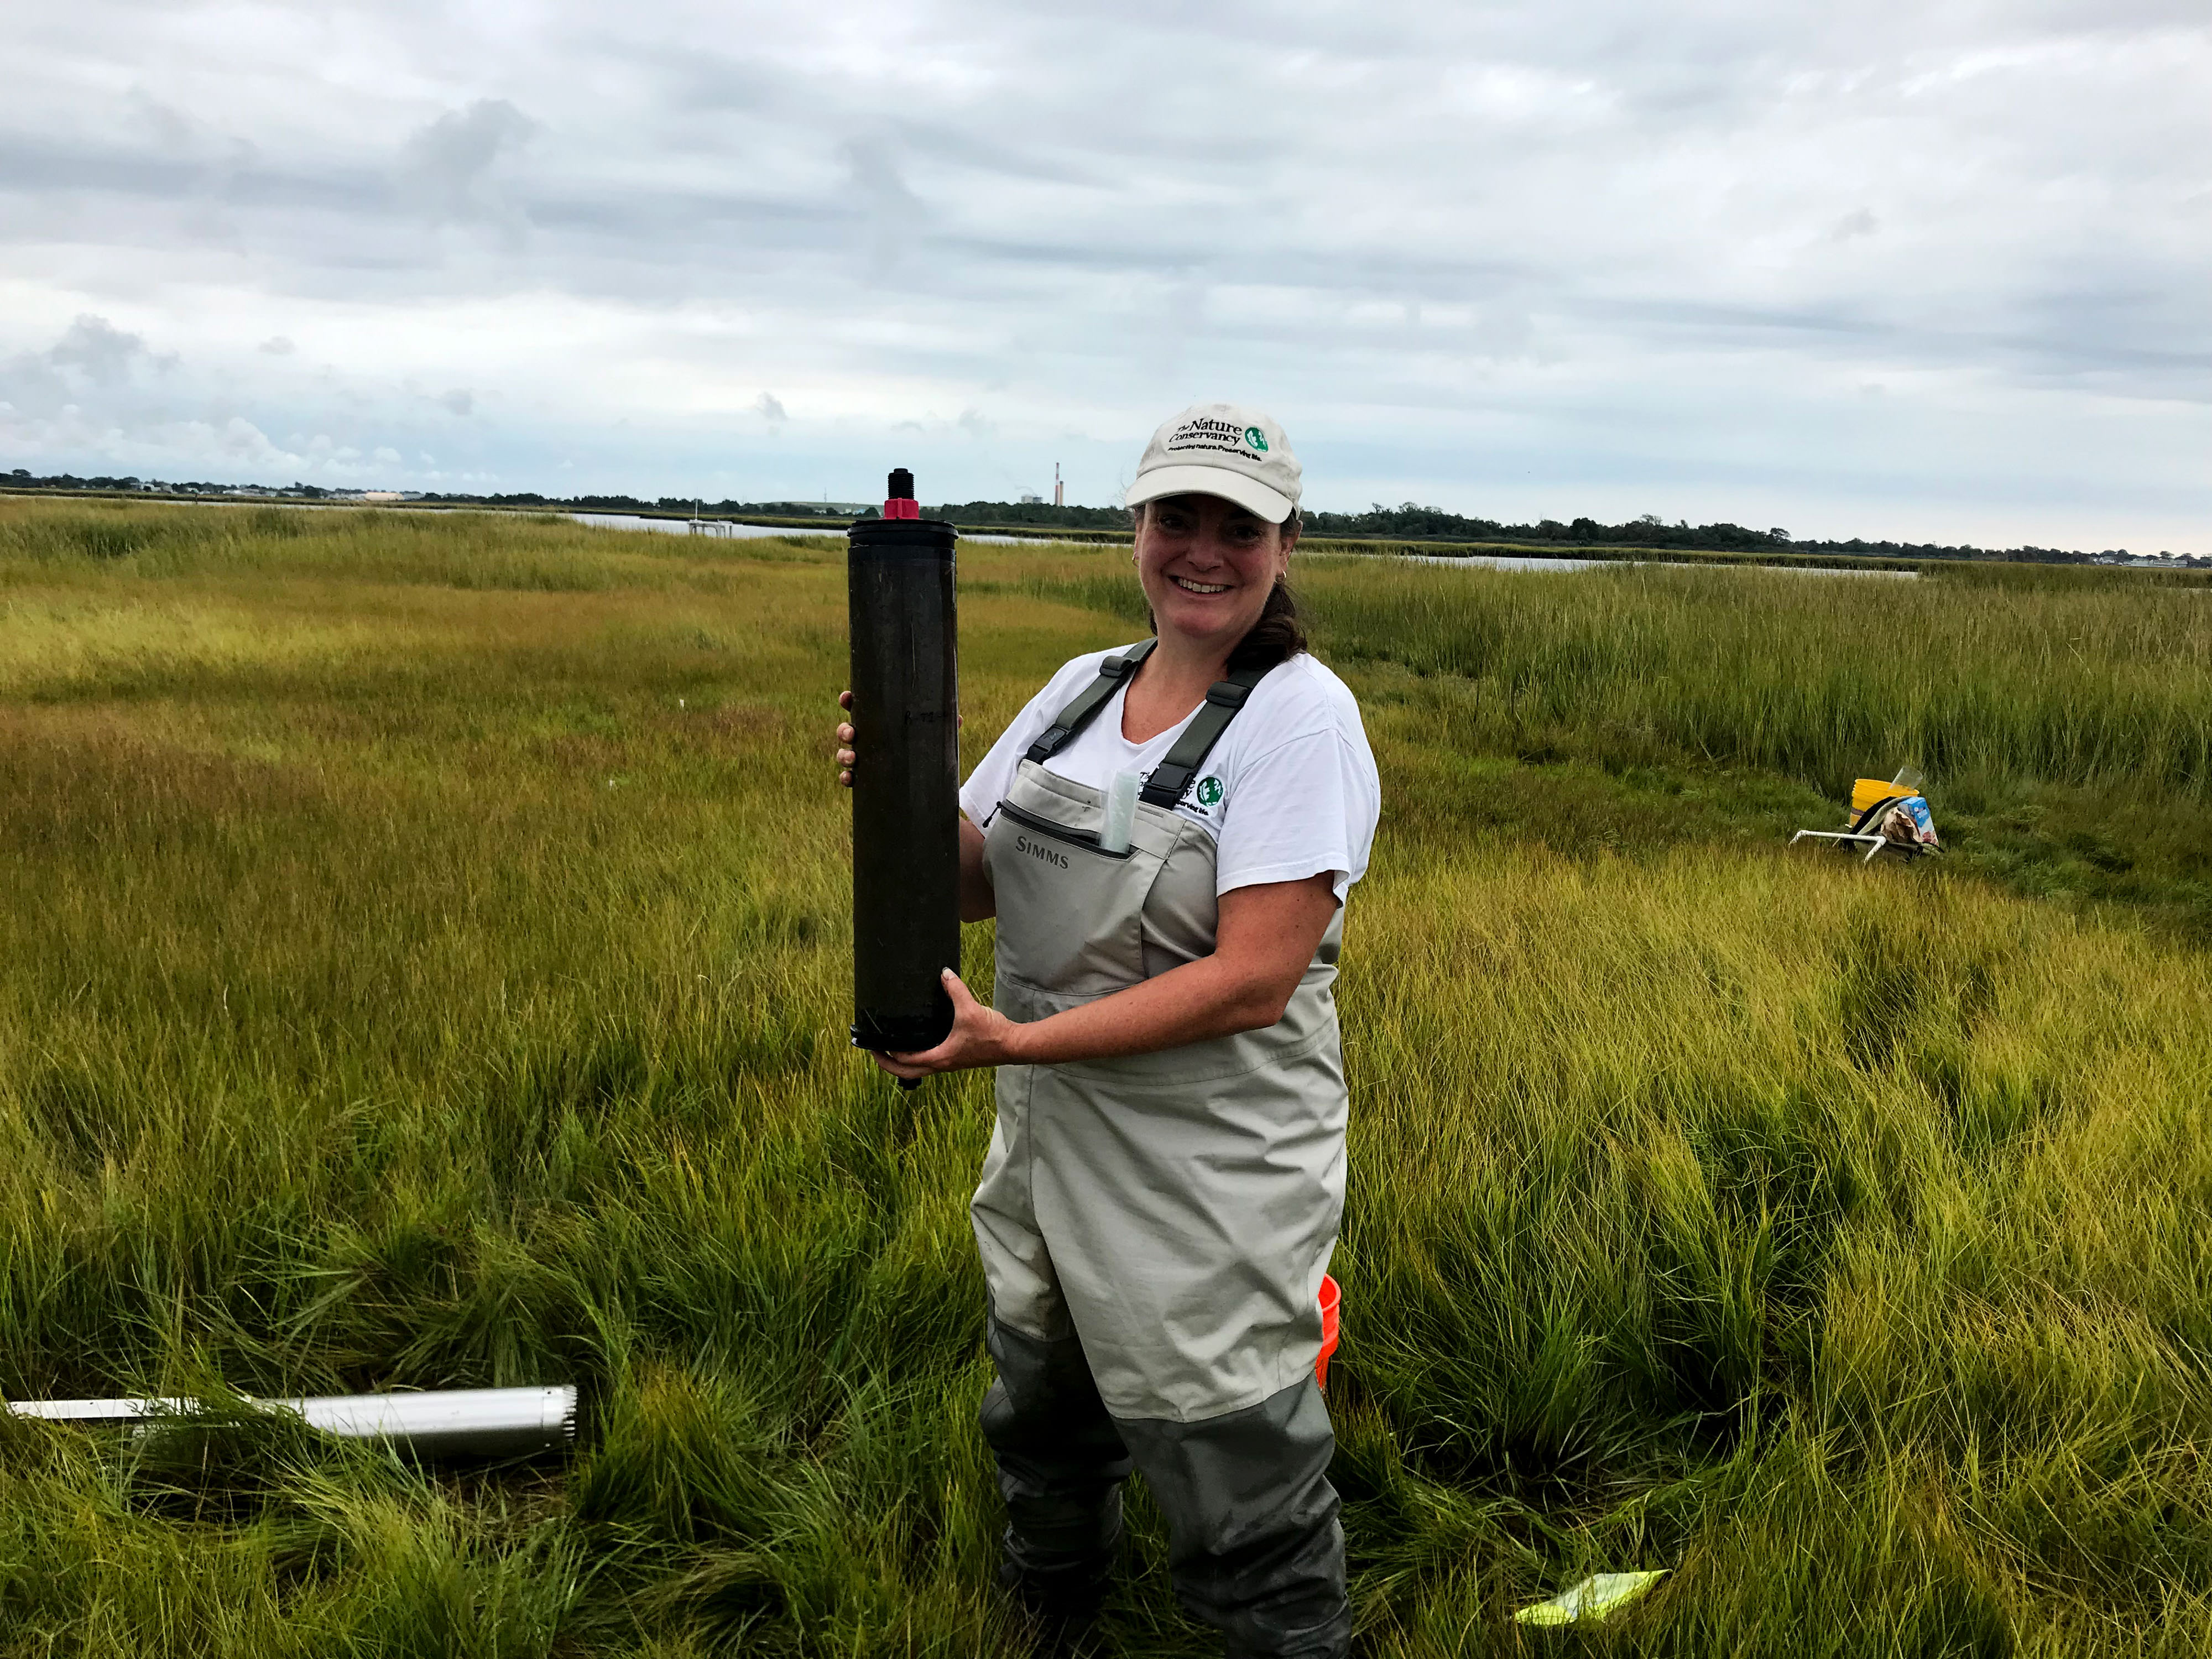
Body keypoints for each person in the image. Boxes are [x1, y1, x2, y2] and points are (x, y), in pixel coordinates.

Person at [833, 403, 1379, 1658]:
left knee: (1230, 1450)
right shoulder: (1081, 690)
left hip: (1207, 1167)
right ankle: (1054, 1610)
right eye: (1174, 516)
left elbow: (1253, 980)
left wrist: (1012, 1045)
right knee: (1040, 1404)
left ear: (1282, 543)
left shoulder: (1302, 720)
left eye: (1235, 527)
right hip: (1043, 1141)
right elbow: (975, 882)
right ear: (1133, 528)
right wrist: (902, 784)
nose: (1202, 549)